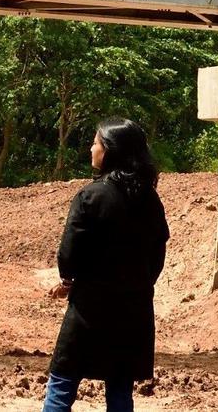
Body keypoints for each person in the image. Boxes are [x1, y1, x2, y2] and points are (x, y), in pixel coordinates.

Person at [44, 118, 170, 412]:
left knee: (62, 383)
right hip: (134, 309)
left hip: (89, 307)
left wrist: (67, 282)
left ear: (110, 150)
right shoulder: (151, 200)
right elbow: (157, 255)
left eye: (95, 143)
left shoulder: (91, 195)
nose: (91, 149)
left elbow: (69, 253)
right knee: (120, 388)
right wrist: (137, 284)